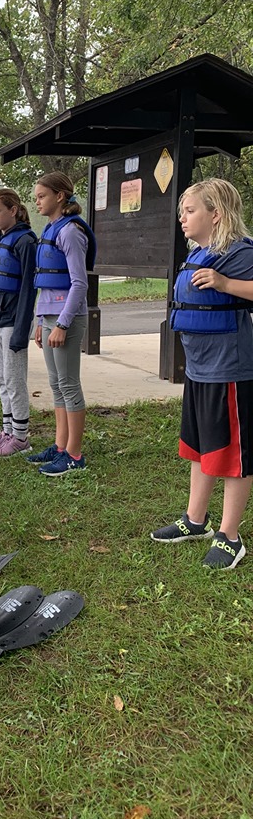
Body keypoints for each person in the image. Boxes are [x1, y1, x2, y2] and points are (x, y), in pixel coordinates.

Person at [150, 178, 253, 570]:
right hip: (199, 369)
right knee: (200, 447)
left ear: (217, 214)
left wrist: (226, 283)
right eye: (182, 212)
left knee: (231, 454)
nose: (182, 218)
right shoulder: (199, 252)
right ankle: (196, 520)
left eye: (190, 211)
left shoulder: (239, 252)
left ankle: (230, 536)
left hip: (231, 369)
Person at [28, 172, 96, 475]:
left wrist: (63, 324)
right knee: (56, 384)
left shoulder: (70, 232)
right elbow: (47, 286)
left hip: (67, 318)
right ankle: (60, 446)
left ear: (59, 196)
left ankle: (75, 455)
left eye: (41, 196)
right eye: (35, 198)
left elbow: (79, 284)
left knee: (69, 384)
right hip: (50, 317)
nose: (37, 202)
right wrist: (41, 321)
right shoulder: (51, 228)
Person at [0, 188, 37, 457]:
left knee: (15, 380)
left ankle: (22, 438)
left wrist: (21, 331)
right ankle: (7, 431)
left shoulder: (24, 242)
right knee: (2, 378)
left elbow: (28, 288)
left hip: (12, 321)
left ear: (13, 210)